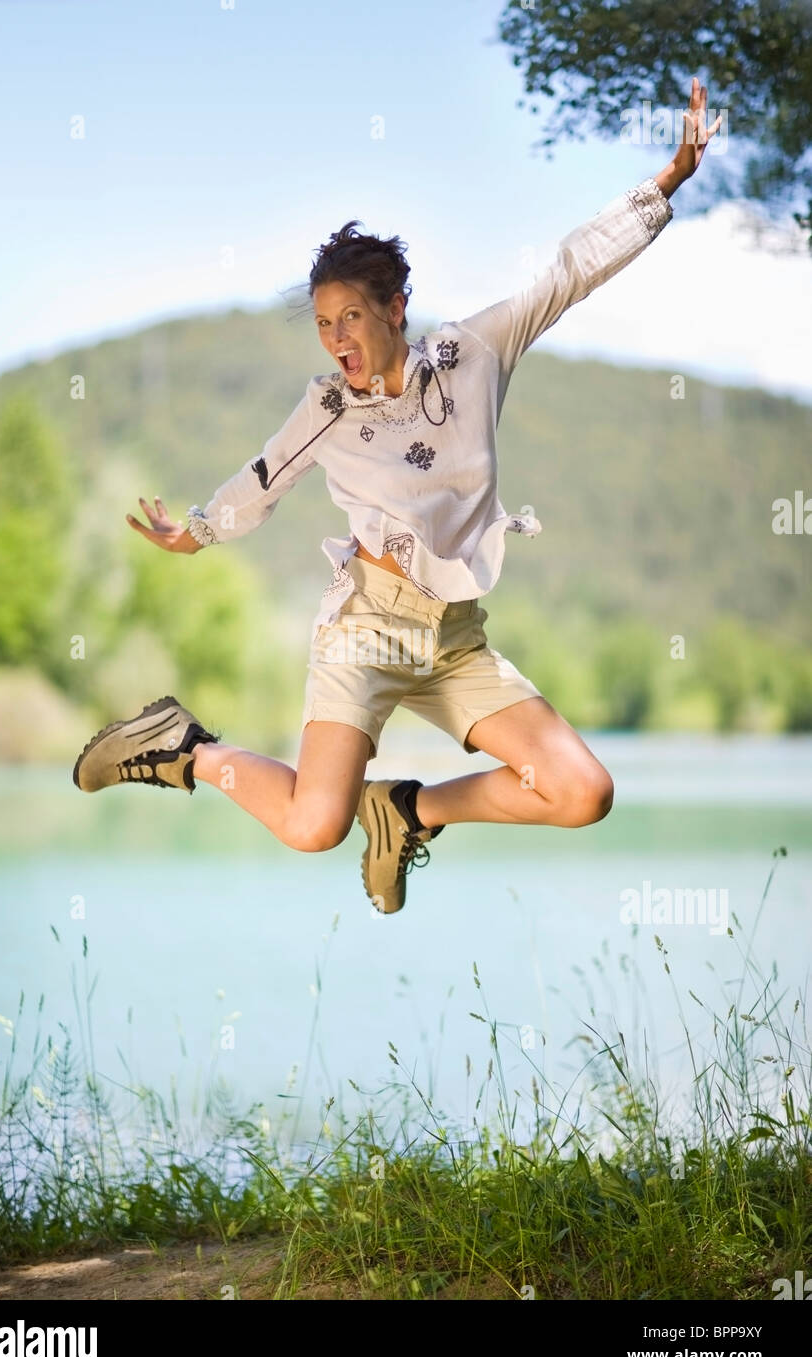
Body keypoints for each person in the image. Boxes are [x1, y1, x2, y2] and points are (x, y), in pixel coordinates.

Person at [74, 79, 721, 915]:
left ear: (395, 308)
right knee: (313, 826)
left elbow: (567, 273)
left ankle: (409, 812)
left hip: (454, 639)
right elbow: (264, 477)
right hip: (366, 632)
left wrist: (667, 182)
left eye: (350, 317)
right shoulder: (326, 407)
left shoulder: (473, 355)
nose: (336, 338)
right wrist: (194, 531)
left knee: (580, 791)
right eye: (323, 323)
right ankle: (183, 747)